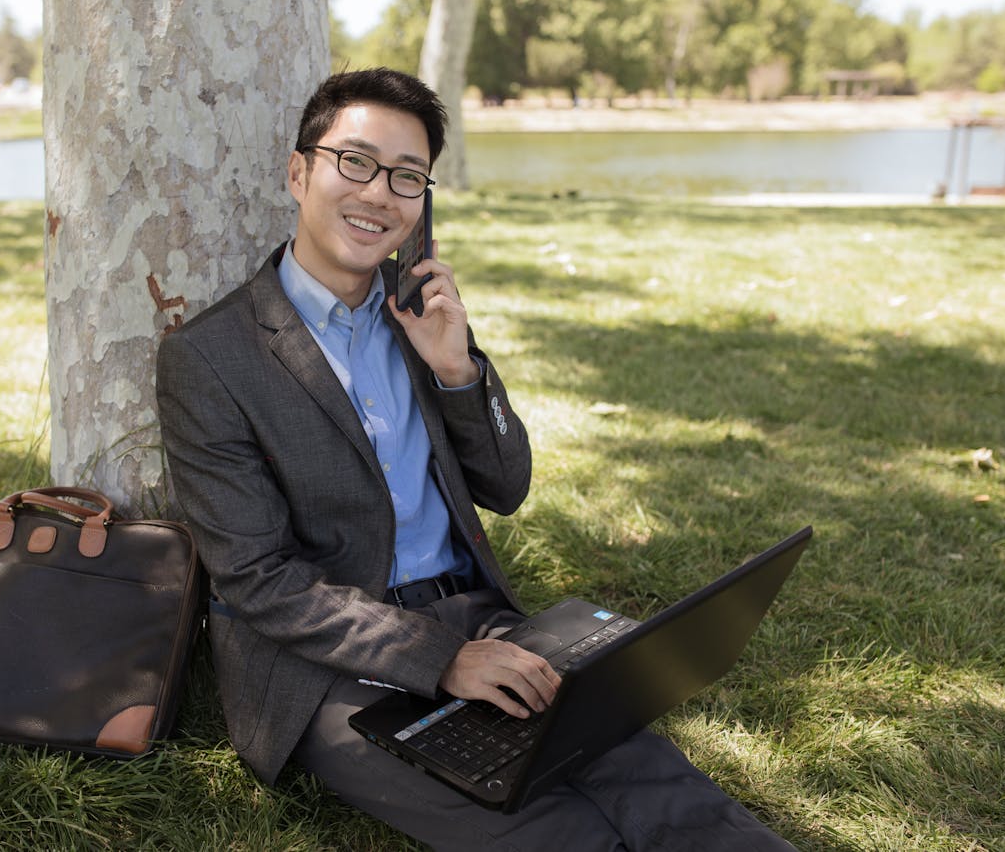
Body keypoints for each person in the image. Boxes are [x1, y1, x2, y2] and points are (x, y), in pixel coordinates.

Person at [156, 68, 792, 850]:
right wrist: (443, 658)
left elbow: (506, 483)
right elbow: (257, 580)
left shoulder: (421, 313)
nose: (379, 193)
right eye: (354, 162)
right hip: (326, 669)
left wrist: (458, 371)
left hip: (475, 614)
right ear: (299, 172)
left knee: (639, 767)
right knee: (545, 825)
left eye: (407, 176)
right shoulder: (210, 358)